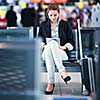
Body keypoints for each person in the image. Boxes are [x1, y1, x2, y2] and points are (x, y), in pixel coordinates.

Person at [38, 3, 74, 95]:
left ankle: (51, 82)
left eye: (55, 15)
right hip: (46, 51)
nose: (53, 17)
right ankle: (62, 72)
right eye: (51, 15)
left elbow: (71, 41)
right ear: (47, 14)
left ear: (59, 13)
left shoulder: (65, 25)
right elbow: (39, 40)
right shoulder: (43, 25)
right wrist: (45, 45)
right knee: (51, 44)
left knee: (52, 44)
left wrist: (64, 46)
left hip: (61, 52)